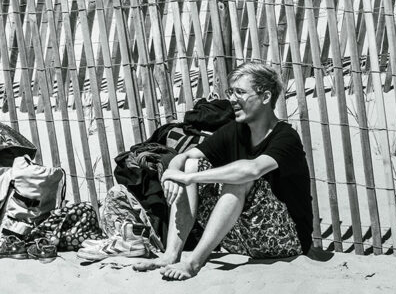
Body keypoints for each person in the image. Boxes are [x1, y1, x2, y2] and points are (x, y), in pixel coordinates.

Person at [134, 62, 313, 280]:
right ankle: (171, 255)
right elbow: (184, 157)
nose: (232, 99)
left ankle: (193, 263)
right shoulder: (236, 130)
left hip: (287, 240)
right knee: (191, 164)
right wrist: (173, 174)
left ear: (266, 97)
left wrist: (189, 178)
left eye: (240, 92)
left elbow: (253, 169)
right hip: (243, 238)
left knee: (238, 178)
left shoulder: (285, 137)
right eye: (231, 92)